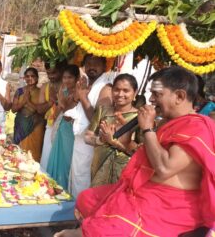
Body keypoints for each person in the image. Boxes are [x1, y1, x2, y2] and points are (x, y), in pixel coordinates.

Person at [56, 66, 215, 237]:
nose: (151, 100)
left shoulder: (196, 127)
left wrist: (147, 129)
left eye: (157, 94)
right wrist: (122, 138)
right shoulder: (166, 122)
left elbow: (164, 168)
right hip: (144, 191)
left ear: (180, 96)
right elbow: (138, 152)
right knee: (86, 198)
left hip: (168, 202)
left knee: (104, 229)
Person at [65, 54, 112, 197]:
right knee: (77, 178)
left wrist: (83, 98)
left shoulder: (106, 88)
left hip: (92, 144)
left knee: (85, 181)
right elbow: (68, 107)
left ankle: (83, 214)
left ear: (104, 66)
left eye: (96, 63)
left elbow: (98, 122)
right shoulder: (85, 83)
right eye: (89, 63)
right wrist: (76, 98)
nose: (92, 66)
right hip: (79, 142)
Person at [84, 74, 139, 187]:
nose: (120, 94)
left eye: (126, 90)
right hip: (99, 164)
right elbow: (87, 137)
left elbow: (138, 150)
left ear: (135, 93)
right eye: (117, 90)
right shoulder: (103, 111)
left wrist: (114, 141)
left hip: (124, 168)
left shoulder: (139, 118)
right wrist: (101, 140)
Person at [47, 65, 80, 190]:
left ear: (77, 78)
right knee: (58, 155)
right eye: (65, 77)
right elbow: (61, 108)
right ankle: (55, 185)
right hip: (62, 126)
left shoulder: (78, 93)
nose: (66, 80)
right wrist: (62, 102)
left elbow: (66, 110)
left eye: (70, 77)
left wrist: (62, 102)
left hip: (71, 128)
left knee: (67, 158)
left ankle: (64, 187)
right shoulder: (63, 89)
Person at [11, 67, 45, 161]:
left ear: (37, 78)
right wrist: (23, 102)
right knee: (19, 153)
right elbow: (13, 109)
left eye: (33, 76)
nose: (30, 78)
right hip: (21, 125)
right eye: (27, 76)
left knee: (35, 154)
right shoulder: (19, 91)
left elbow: (41, 110)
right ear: (24, 78)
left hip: (36, 125)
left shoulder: (41, 92)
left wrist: (29, 102)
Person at [38, 61, 63, 170]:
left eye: (54, 73)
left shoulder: (67, 85)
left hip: (64, 127)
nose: (51, 76)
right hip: (50, 125)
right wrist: (51, 102)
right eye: (49, 73)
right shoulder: (45, 87)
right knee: (47, 156)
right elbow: (39, 110)